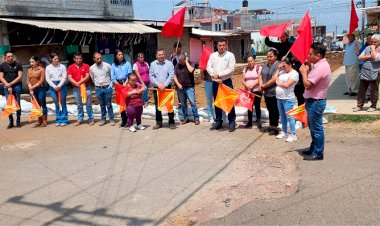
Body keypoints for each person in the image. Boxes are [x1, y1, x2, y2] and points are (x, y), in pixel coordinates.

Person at [299, 43, 331, 160]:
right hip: (313, 100)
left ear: (318, 55)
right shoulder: (318, 65)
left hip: (316, 102)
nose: (309, 56)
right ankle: (314, 148)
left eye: (311, 54)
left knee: (316, 128)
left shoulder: (321, 67)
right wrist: (307, 73)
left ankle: (318, 153)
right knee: (313, 127)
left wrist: (303, 73)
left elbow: (308, 85)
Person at [207, 38, 237, 132]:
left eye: (223, 45)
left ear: (226, 45)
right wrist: (215, 76)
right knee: (217, 101)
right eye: (220, 45)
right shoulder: (213, 55)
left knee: (229, 101)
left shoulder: (230, 55)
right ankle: (218, 121)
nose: (221, 47)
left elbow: (231, 69)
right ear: (217, 46)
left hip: (226, 81)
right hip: (216, 82)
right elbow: (208, 67)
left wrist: (219, 75)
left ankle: (232, 121)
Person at [149, 49, 175, 130]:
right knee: (158, 105)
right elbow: (151, 76)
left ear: (164, 55)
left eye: (162, 54)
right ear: (156, 56)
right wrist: (158, 84)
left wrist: (165, 84)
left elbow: (171, 75)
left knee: (169, 105)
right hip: (157, 88)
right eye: (159, 55)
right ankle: (159, 122)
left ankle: (171, 122)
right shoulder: (153, 64)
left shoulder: (169, 64)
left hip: (167, 88)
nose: (161, 56)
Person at [275, 57, 299, 142]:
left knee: (290, 117)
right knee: (282, 117)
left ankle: (293, 134)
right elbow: (275, 79)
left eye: (284, 66)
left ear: (290, 65)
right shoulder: (281, 72)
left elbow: (287, 85)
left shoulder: (294, 73)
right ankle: (284, 132)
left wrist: (279, 82)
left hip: (288, 98)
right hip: (279, 98)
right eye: (282, 66)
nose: (283, 67)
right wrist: (278, 69)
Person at [354, 34, 380, 112]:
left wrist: (372, 50)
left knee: (374, 90)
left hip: (375, 71)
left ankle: (373, 105)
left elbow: (375, 58)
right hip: (365, 70)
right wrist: (369, 56)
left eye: (375, 42)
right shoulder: (367, 48)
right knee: (362, 89)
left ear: (379, 42)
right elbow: (359, 58)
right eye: (372, 42)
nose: (373, 44)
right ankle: (359, 105)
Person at [67, 52, 94, 126]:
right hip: (76, 89)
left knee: (88, 104)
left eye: (80, 58)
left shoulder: (86, 66)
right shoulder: (70, 67)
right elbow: (69, 77)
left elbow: (87, 76)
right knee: (79, 105)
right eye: (77, 58)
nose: (79, 60)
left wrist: (79, 82)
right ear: (74, 59)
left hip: (86, 88)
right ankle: (80, 119)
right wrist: (75, 83)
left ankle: (91, 119)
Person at [173, 52, 200, 125]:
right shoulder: (177, 65)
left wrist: (187, 62)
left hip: (189, 87)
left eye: (182, 61)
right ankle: (185, 118)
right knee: (183, 104)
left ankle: (196, 118)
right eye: (180, 61)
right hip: (180, 88)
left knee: (192, 102)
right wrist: (178, 84)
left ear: (185, 59)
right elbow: (174, 76)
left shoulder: (191, 63)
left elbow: (191, 70)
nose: (181, 63)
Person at [90, 52, 115, 126]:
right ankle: (103, 119)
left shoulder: (107, 66)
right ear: (94, 59)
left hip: (107, 88)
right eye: (97, 58)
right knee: (102, 105)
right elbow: (93, 78)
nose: (99, 59)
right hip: (98, 89)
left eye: (100, 58)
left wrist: (110, 85)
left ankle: (111, 119)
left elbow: (111, 76)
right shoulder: (92, 68)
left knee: (109, 104)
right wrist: (97, 85)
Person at [259, 49, 281, 135]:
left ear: (275, 56)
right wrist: (261, 86)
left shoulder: (278, 66)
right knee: (270, 109)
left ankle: (275, 127)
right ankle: (271, 125)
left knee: (275, 110)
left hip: (274, 92)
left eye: (271, 56)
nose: (269, 58)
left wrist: (264, 86)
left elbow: (274, 79)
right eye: (267, 56)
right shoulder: (265, 65)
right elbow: (260, 75)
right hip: (266, 92)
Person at [0, 51, 23, 129]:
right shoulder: (2, 66)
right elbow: (1, 77)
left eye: (11, 56)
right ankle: (11, 122)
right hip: (7, 87)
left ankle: (18, 121)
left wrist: (11, 84)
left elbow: (20, 76)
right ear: (5, 57)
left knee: (17, 103)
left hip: (16, 86)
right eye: (9, 56)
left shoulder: (18, 65)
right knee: (9, 104)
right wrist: (7, 85)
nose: (10, 57)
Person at [45, 53, 68, 127]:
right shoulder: (48, 68)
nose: (57, 60)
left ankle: (64, 119)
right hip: (53, 86)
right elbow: (47, 78)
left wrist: (59, 85)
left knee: (63, 102)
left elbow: (64, 77)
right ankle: (58, 119)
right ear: (51, 59)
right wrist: (54, 86)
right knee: (56, 103)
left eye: (57, 58)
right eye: (55, 59)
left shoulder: (62, 67)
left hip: (61, 85)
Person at [111, 49, 132, 127]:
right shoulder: (113, 65)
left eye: (121, 54)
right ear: (116, 56)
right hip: (118, 84)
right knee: (121, 102)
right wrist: (119, 85)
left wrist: (125, 84)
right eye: (119, 55)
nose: (121, 56)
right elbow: (112, 77)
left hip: (127, 83)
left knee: (128, 101)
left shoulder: (127, 64)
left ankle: (130, 118)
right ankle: (123, 119)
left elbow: (129, 75)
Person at [242, 55, 262, 129]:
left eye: (251, 61)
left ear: (254, 61)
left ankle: (258, 122)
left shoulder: (258, 68)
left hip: (257, 90)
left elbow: (260, 78)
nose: (250, 62)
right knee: (249, 106)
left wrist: (252, 85)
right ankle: (249, 122)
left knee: (257, 106)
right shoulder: (245, 69)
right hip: (248, 91)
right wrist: (247, 86)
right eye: (248, 61)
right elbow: (243, 80)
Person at [27, 56, 48, 127]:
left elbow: (41, 80)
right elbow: (28, 80)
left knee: (43, 104)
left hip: (40, 89)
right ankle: (39, 120)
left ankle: (44, 121)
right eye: (30, 62)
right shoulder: (29, 70)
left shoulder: (41, 69)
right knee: (37, 105)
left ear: (37, 62)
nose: (31, 63)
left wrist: (32, 87)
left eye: (33, 62)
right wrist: (30, 88)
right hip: (33, 90)